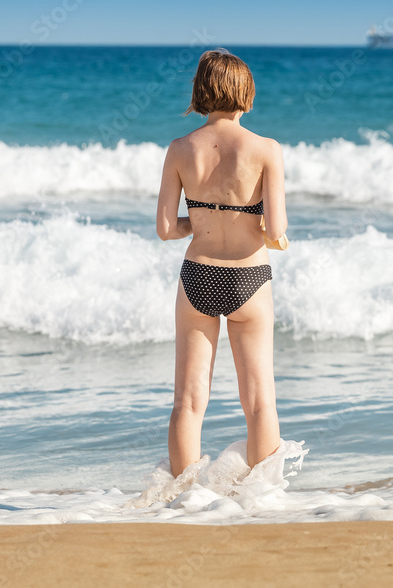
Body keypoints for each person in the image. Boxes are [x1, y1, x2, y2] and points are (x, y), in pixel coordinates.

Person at [156, 48, 287, 478]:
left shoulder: (179, 149)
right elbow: (276, 228)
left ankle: (181, 498)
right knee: (259, 400)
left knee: (188, 402)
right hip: (248, 276)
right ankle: (264, 497)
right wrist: (262, 228)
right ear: (246, 94)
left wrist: (202, 222)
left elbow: (165, 228)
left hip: (198, 274)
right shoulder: (266, 149)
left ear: (200, 93)